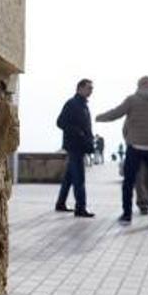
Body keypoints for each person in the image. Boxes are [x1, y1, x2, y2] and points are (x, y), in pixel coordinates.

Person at [96, 77, 148, 225]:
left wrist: (99, 117)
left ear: (141, 86)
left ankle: (127, 215)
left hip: (135, 147)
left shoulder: (133, 99)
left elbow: (116, 113)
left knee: (129, 181)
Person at [55, 79, 95, 217]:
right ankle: (80, 208)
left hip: (81, 145)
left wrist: (89, 141)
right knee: (79, 178)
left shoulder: (83, 105)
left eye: (92, 88)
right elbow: (60, 122)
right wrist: (77, 132)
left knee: (70, 177)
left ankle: (60, 203)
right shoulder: (72, 104)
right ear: (80, 88)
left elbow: (86, 126)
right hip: (74, 146)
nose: (91, 91)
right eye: (89, 88)